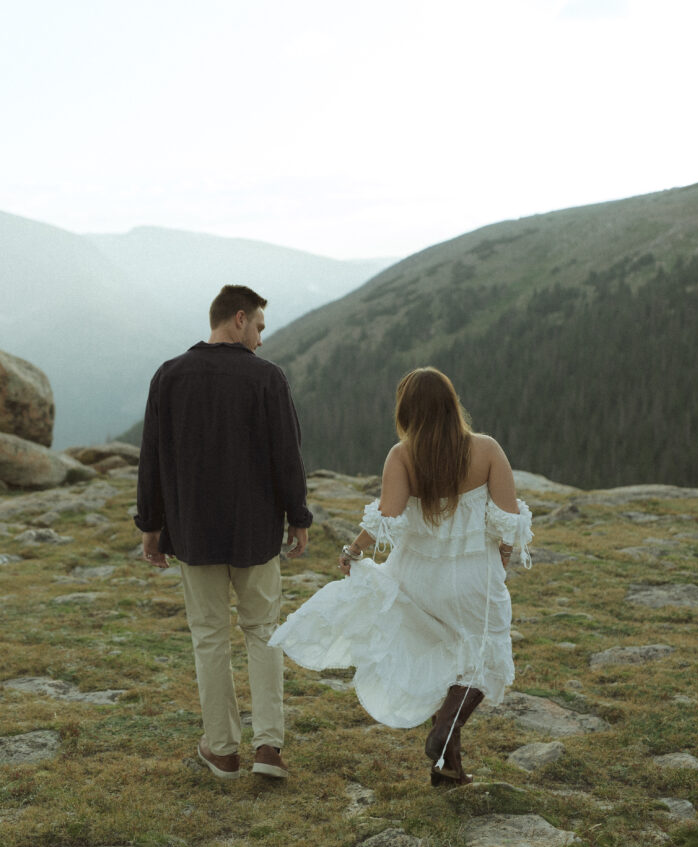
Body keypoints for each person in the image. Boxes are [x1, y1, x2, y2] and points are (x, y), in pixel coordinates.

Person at [269, 367, 532, 785]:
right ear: (451, 405)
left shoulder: (402, 455)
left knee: (444, 659)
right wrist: (499, 560)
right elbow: (508, 521)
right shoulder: (486, 450)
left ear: (407, 411)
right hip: (472, 576)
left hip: (417, 577)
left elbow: (387, 516)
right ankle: (446, 730)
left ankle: (448, 768)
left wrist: (352, 549)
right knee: (484, 657)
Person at [135, 284, 312, 781]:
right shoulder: (266, 378)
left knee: (210, 637)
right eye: (258, 327)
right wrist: (298, 517)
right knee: (264, 632)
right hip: (255, 532)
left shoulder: (169, 376)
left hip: (193, 532)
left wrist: (150, 526)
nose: (259, 339)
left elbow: (152, 458)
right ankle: (269, 749)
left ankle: (222, 750)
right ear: (238, 319)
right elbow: (287, 455)